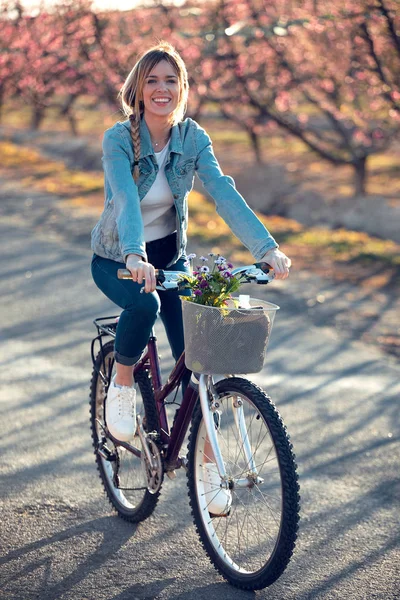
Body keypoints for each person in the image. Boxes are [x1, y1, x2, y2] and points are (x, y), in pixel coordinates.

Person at [91, 41, 291, 447]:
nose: (161, 89)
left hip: (170, 255)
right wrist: (135, 255)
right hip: (117, 256)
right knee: (144, 304)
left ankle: (206, 463)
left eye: (170, 80)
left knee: (201, 353)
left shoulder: (192, 137)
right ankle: (123, 383)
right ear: (138, 89)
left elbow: (224, 192)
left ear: (182, 88)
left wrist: (266, 249)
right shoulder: (118, 140)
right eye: (152, 80)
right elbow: (126, 198)